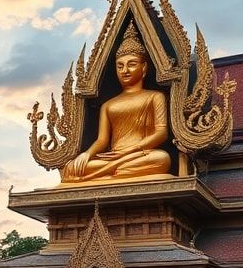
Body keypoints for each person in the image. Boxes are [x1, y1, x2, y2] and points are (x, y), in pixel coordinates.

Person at [61, 21, 172, 183]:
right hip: (112, 158)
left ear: (144, 68)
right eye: (120, 66)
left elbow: (161, 133)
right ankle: (111, 172)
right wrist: (87, 154)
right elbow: (102, 141)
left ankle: (107, 175)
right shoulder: (108, 105)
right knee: (71, 168)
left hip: (139, 155)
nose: (125, 70)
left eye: (132, 64)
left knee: (162, 159)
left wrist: (128, 152)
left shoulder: (155, 97)